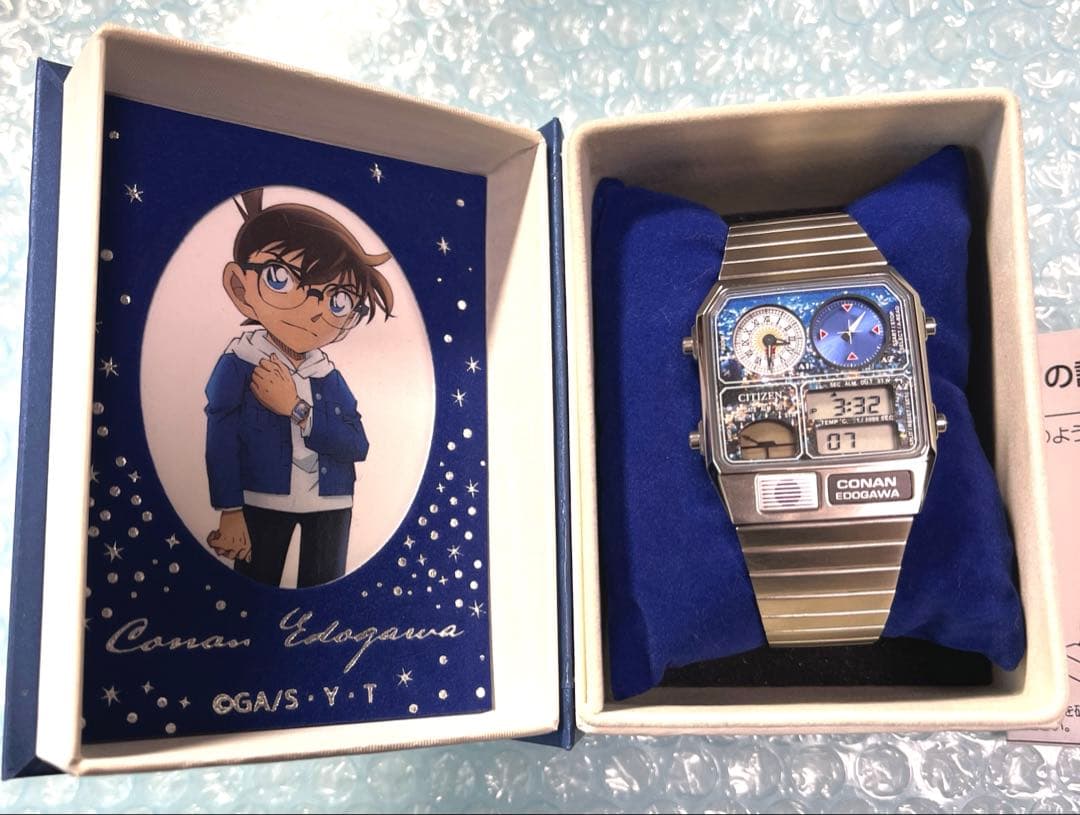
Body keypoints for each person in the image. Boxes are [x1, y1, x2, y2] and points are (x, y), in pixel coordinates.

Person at [204, 188, 394, 588]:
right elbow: (220, 438)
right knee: (255, 594)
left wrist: (297, 410)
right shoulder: (240, 362)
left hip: (332, 505)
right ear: (240, 286)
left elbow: (357, 445)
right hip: (262, 502)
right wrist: (230, 510)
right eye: (281, 279)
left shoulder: (329, 375)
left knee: (324, 593)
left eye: (339, 299)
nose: (313, 310)